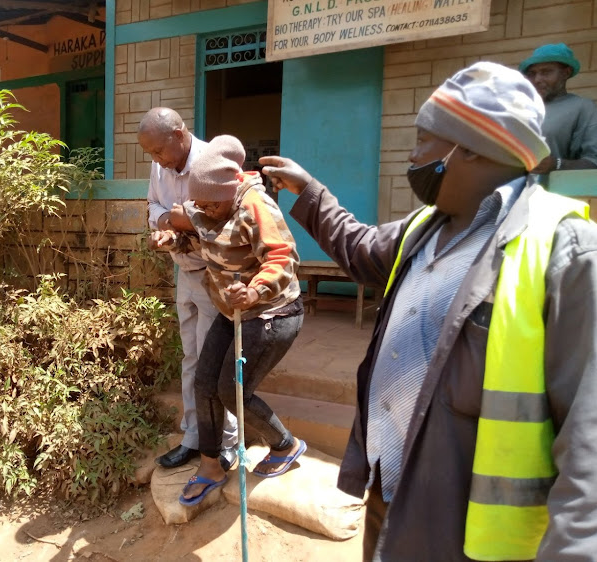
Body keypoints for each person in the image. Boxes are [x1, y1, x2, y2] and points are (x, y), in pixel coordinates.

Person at [260, 62, 597, 560]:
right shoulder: (426, 228)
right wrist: (310, 192)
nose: (413, 156)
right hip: (391, 494)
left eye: (424, 140)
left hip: (466, 530)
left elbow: (588, 438)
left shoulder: (565, 252)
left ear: (473, 147)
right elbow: (360, 248)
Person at [149, 135, 307, 506]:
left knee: (231, 390)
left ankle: (284, 445)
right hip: (230, 308)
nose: (204, 210)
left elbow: (283, 258)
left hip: (271, 313)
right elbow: (197, 238)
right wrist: (170, 238)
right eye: (198, 204)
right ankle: (210, 467)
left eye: (210, 205)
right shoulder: (208, 204)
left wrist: (255, 290)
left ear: (228, 192)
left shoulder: (256, 207)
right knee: (204, 383)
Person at [138, 108, 237, 470]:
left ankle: (227, 442)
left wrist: (180, 221)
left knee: (216, 363)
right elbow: (154, 206)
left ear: (179, 135)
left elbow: (219, 220)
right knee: (191, 358)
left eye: (159, 152)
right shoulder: (160, 162)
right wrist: (167, 222)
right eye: (150, 155)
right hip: (185, 272)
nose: (157, 161)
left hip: (216, 276)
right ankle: (194, 438)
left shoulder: (213, 162)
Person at [520, 43, 597, 173]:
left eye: (546, 72)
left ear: (566, 73)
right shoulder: (521, 108)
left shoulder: (582, 107)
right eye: (532, 74)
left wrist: (556, 164)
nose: (537, 79)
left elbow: (593, 161)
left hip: (553, 190)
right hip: (506, 188)